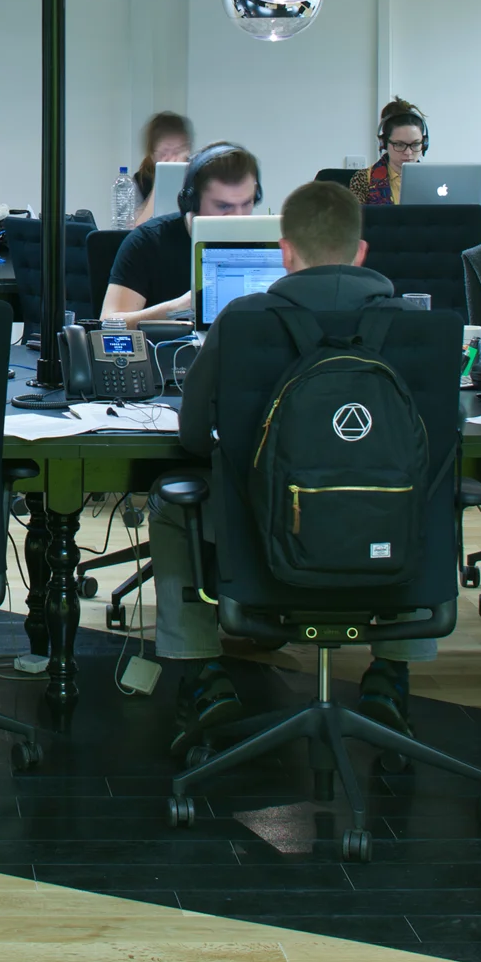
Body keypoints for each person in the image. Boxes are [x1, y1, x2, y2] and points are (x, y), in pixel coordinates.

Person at [156, 181, 433, 741]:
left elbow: (191, 437)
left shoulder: (240, 321)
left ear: (284, 252)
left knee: (171, 506)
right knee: (427, 496)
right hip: (385, 543)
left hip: (264, 546)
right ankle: (390, 675)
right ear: (360, 253)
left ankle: (203, 676)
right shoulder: (416, 326)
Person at [102, 142, 260, 322]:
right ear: (191, 202)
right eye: (223, 206)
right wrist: (176, 309)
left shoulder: (267, 244)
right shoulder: (147, 243)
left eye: (247, 203)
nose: (237, 217)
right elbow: (108, 323)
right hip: (169, 349)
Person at [348, 98, 428, 206]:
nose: (408, 152)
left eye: (415, 144)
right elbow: (355, 221)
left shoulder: (432, 180)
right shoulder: (363, 179)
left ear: (425, 144)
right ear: (383, 144)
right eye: (399, 145)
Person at [131, 112, 195, 226]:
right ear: (152, 155)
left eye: (178, 151)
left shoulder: (198, 176)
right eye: (164, 152)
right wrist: (162, 181)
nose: (172, 158)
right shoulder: (141, 180)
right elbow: (137, 228)